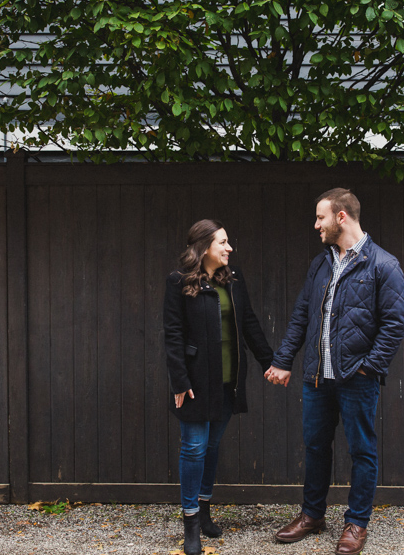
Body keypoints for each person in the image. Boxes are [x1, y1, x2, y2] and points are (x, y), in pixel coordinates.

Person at [264, 188, 404, 555]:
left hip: (356, 379)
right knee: (315, 447)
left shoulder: (383, 265)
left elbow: (395, 323)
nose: (316, 225)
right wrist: (283, 360)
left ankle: (357, 523)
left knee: (362, 451)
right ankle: (312, 515)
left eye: (320, 217)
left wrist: (369, 368)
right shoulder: (321, 263)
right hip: (317, 377)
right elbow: (302, 315)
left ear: (341, 217)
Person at [163, 219, 274, 555]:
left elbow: (250, 322)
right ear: (204, 247)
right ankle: (191, 525)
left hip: (228, 381)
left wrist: (270, 362)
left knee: (211, 446)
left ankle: (206, 511)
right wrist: (179, 380)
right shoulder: (179, 282)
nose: (229, 248)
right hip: (195, 383)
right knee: (194, 447)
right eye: (223, 242)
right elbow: (173, 334)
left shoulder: (233, 280)